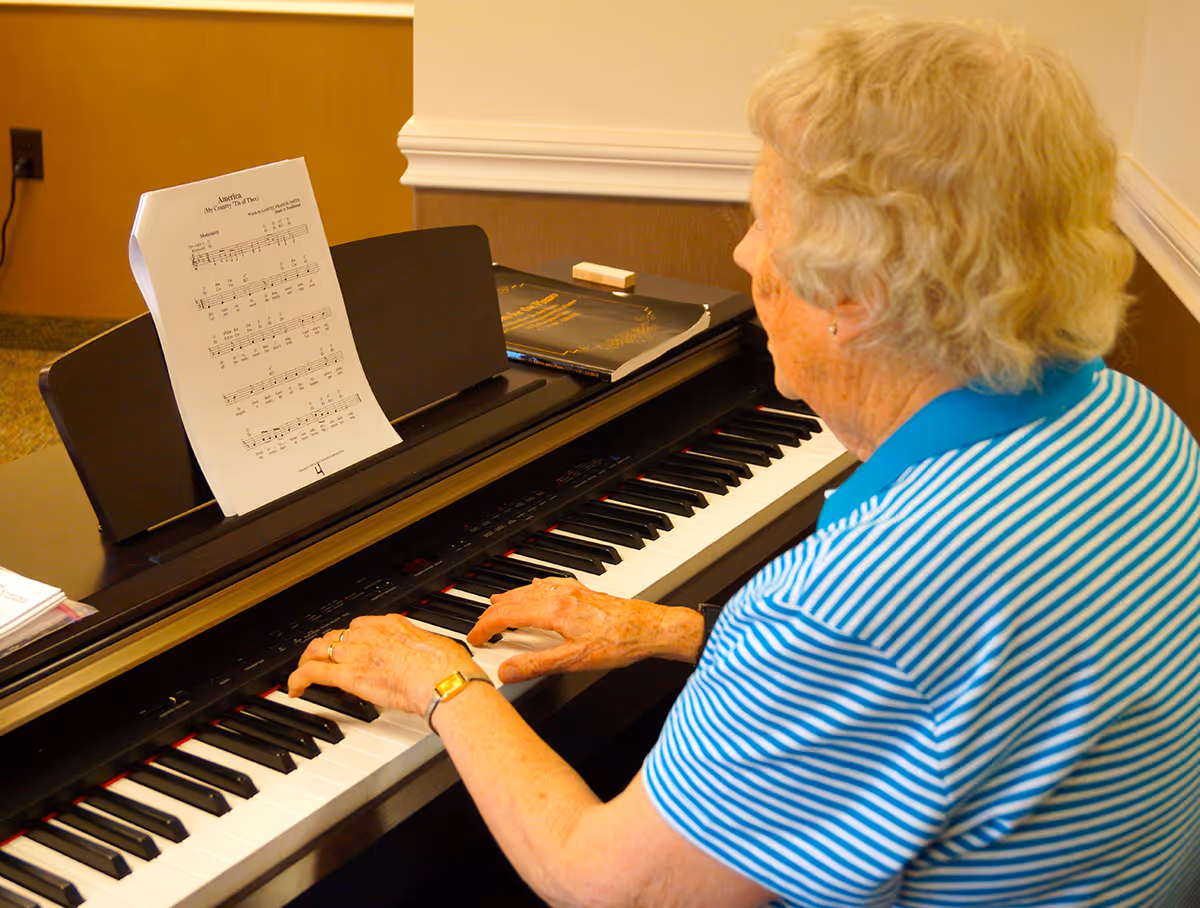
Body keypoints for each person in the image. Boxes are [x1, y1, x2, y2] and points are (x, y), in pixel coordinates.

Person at [288, 17, 1200, 907]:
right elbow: (945, 686)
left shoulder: (864, 597)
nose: (742, 251)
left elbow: (608, 883)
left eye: (767, 220)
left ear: (854, 296)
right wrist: (678, 631)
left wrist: (441, 681)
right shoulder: (1137, 428)